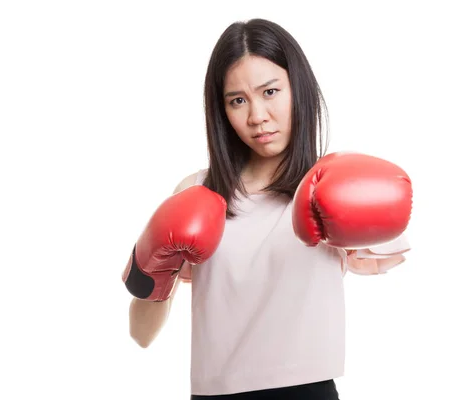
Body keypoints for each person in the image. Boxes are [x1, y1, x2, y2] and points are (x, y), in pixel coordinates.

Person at [122, 18, 412, 399]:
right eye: (237, 100)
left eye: (270, 91)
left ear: (298, 90)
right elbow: (141, 335)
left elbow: (395, 244)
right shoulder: (196, 192)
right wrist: (157, 270)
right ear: (221, 110)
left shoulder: (332, 185)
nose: (257, 115)